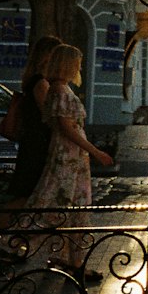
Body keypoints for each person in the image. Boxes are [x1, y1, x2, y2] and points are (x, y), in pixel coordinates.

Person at [26, 44, 113, 278]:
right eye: (77, 63)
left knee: (72, 205)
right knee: (59, 200)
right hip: (68, 154)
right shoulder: (60, 90)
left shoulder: (60, 88)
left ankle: (69, 260)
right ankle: (15, 241)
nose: (80, 67)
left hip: (71, 155)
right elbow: (66, 128)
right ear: (67, 64)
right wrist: (95, 151)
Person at [5, 33, 61, 205]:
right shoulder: (40, 83)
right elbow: (49, 114)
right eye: (57, 55)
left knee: (29, 194)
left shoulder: (34, 80)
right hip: (37, 144)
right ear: (48, 56)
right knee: (27, 194)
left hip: (33, 141)